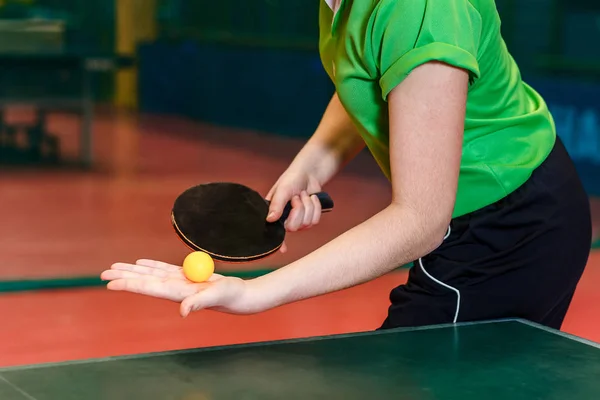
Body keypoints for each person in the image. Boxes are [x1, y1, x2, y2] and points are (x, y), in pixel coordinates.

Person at [101, 0, 592, 330]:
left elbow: (420, 221)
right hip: (465, 221)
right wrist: (313, 164)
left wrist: (256, 293)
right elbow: (369, 75)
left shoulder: (423, 11)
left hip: (513, 229)